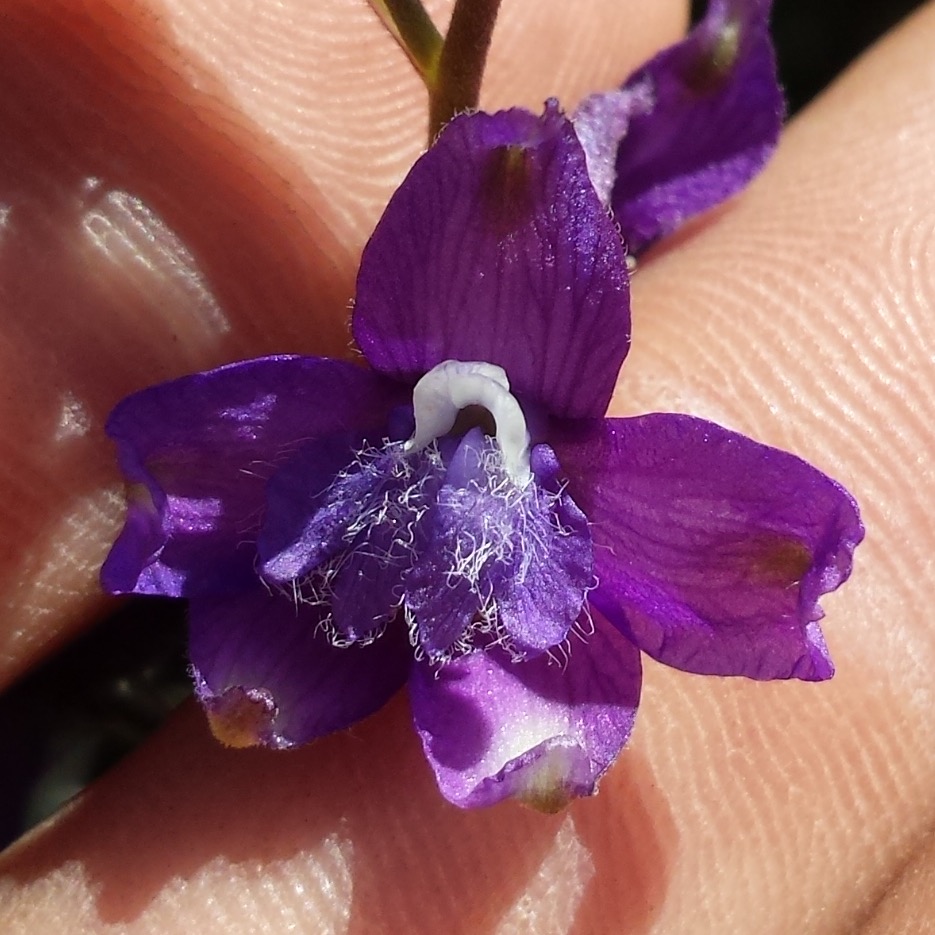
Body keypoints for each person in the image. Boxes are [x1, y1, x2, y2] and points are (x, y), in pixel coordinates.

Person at [0, 0, 932, 931]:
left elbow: (765, 560)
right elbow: (181, 490)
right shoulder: (494, 219)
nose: (468, 456)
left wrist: (581, 157)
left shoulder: (613, 482)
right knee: (248, 694)